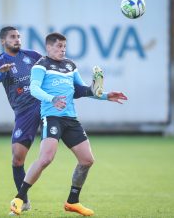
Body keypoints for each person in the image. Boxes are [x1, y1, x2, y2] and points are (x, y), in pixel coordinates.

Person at [10, 32, 127, 216]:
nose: (62, 50)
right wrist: (52, 98)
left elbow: (80, 90)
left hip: (70, 119)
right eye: (58, 47)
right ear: (48, 47)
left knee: (87, 160)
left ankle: (73, 202)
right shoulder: (41, 65)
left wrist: (104, 95)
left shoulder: (70, 65)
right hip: (52, 117)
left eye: (64, 47)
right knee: (46, 159)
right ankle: (19, 198)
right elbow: (34, 89)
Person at [0, 27, 96, 214]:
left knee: (54, 157)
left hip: (45, 104)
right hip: (24, 110)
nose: (17, 40)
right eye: (12, 37)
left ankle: (69, 200)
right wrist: (2, 72)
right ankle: (23, 200)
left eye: (18, 36)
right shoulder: (0, 61)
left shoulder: (32, 56)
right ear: (3, 41)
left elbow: (50, 64)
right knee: (17, 157)